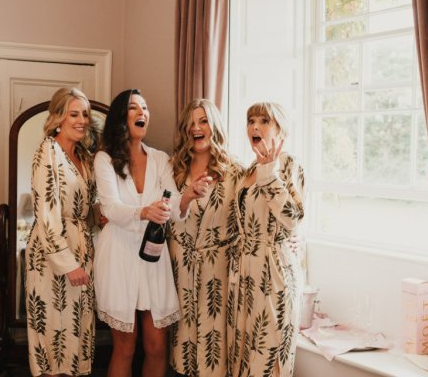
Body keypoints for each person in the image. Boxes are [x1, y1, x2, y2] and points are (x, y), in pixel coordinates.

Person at [93, 89, 208, 377]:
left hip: (153, 258)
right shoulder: (105, 160)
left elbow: (173, 207)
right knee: (126, 348)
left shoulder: (161, 160)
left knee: (157, 346)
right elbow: (109, 207)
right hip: (118, 255)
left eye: (145, 108)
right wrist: (144, 212)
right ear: (121, 117)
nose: (142, 113)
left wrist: (188, 196)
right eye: (134, 108)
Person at [168, 98, 245, 376]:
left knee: (216, 348)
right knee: (183, 348)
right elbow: (163, 218)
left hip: (220, 271)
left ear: (214, 127)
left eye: (203, 121)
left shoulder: (235, 172)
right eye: (191, 122)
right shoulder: (174, 170)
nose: (196, 127)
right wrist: (185, 198)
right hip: (182, 269)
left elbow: (251, 219)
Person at [228, 102, 305, 377]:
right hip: (245, 272)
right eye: (251, 120)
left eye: (264, 120)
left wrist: (269, 172)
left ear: (279, 129)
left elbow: (293, 218)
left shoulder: (288, 164)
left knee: (268, 355)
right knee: (244, 356)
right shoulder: (247, 170)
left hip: (275, 274)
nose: (255, 126)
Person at [25, 87, 97, 377]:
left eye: (85, 114)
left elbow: (86, 206)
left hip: (82, 251)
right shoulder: (48, 152)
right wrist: (67, 264)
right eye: (73, 114)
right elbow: (47, 213)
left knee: (77, 336)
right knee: (55, 339)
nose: (81, 120)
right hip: (52, 259)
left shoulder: (83, 155)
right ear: (57, 118)